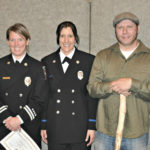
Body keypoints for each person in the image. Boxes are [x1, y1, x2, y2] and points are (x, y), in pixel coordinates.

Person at [87, 12, 150, 150]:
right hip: (105, 133)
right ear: (115, 30)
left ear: (138, 29)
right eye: (120, 27)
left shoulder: (148, 58)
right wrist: (112, 86)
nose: (125, 31)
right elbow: (92, 88)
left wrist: (132, 84)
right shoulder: (103, 56)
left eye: (129, 27)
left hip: (137, 134)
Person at [41, 21, 97, 150]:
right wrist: (43, 125)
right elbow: (45, 95)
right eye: (62, 36)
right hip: (55, 126)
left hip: (80, 127)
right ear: (57, 38)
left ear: (75, 38)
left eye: (70, 36)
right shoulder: (47, 61)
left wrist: (91, 126)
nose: (66, 40)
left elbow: (92, 96)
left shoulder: (88, 60)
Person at [0, 23, 47, 149]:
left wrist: (19, 120)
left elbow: (39, 99)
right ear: (8, 42)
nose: (16, 44)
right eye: (12, 40)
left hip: (28, 127)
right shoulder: (1, 65)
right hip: (4, 126)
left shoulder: (38, 67)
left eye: (20, 39)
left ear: (27, 41)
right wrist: (8, 119)